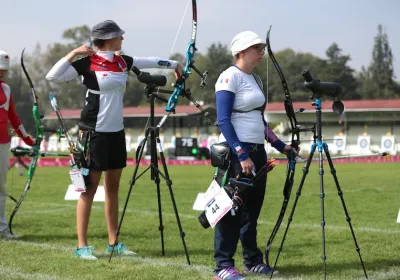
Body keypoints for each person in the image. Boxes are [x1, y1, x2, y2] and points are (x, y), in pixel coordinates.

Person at [46, 20, 182, 260]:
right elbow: (53, 76)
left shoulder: (121, 61)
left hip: (116, 132)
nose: (123, 39)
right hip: (93, 133)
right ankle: (82, 246)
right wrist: (75, 52)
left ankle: (113, 242)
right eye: (119, 36)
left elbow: (147, 60)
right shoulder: (87, 63)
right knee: (88, 190)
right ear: (108, 39)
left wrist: (175, 64)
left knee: (113, 187)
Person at [213, 31, 297, 280]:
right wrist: (241, 154)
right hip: (236, 153)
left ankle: (252, 261)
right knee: (231, 210)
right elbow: (223, 120)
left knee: (251, 210)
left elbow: (260, 121)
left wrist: (281, 146)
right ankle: (222, 266)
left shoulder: (256, 80)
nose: (261, 52)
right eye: (256, 48)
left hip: (257, 152)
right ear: (240, 51)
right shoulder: (229, 77)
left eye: (262, 48)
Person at [0, 50, 35, 239]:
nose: (1, 73)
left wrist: (27, 139)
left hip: (2, 143)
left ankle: (1, 229)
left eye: (4, 70)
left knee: (0, 188)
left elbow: (13, 117)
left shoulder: (6, 89)